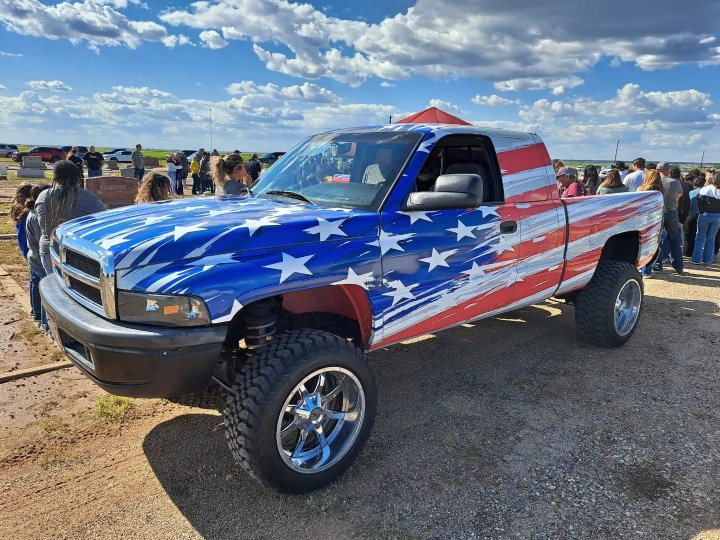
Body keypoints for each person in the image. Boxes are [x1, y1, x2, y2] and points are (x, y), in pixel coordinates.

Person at [35, 160, 107, 275]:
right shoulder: (87, 197)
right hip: (76, 253)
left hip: (48, 250)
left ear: (55, 176)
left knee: (54, 287)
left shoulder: (43, 196)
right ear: (76, 176)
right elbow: (105, 220)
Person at [25, 183, 51, 329]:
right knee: (45, 290)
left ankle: (36, 313)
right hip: (38, 257)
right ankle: (45, 324)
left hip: (33, 255)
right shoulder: (38, 217)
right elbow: (42, 238)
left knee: (35, 283)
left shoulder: (32, 212)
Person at [654, 162, 684, 274]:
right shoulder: (675, 182)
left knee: (658, 240)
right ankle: (678, 266)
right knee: (675, 240)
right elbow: (679, 195)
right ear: (668, 170)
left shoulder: (655, 182)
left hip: (658, 212)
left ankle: (657, 265)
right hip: (671, 212)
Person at [637, 169, 664, 278]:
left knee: (643, 245)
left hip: (643, 221)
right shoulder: (661, 191)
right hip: (657, 220)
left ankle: (640, 268)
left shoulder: (641, 189)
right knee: (655, 245)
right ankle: (647, 270)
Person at [691, 171, 720, 265]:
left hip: (704, 215)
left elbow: (699, 202)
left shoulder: (705, 189)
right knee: (711, 238)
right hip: (717, 217)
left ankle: (696, 259)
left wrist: (702, 210)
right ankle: (707, 260)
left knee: (700, 238)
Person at [10, 182, 33, 259]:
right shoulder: (27, 213)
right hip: (30, 249)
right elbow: (23, 234)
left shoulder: (18, 208)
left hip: (26, 248)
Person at [684, 176, 706, 257]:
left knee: (688, 235)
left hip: (692, 215)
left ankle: (687, 252)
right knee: (699, 236)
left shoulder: (692, 193)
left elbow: (688, 205)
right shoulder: (705, 192)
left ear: (694, 183)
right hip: (702, 215)